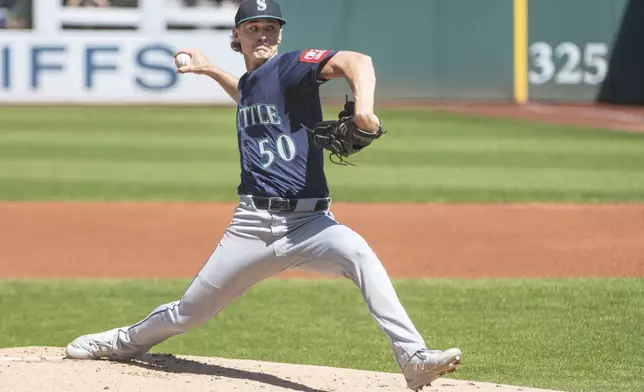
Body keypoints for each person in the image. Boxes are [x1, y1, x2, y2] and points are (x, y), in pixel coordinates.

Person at [63, 0, 462, 390]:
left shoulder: (290, 67)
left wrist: (365, 111)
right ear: (236, 35)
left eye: (270, 26)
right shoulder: (254, 83)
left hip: (311, 223)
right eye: (253, 28)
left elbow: (358, 62)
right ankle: (118, 343)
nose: (263, 34)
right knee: (189, 314)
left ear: (281, 32)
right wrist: (211, 70)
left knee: (360, 254)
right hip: (252, 226)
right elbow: (248, 94)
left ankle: (412, 358)